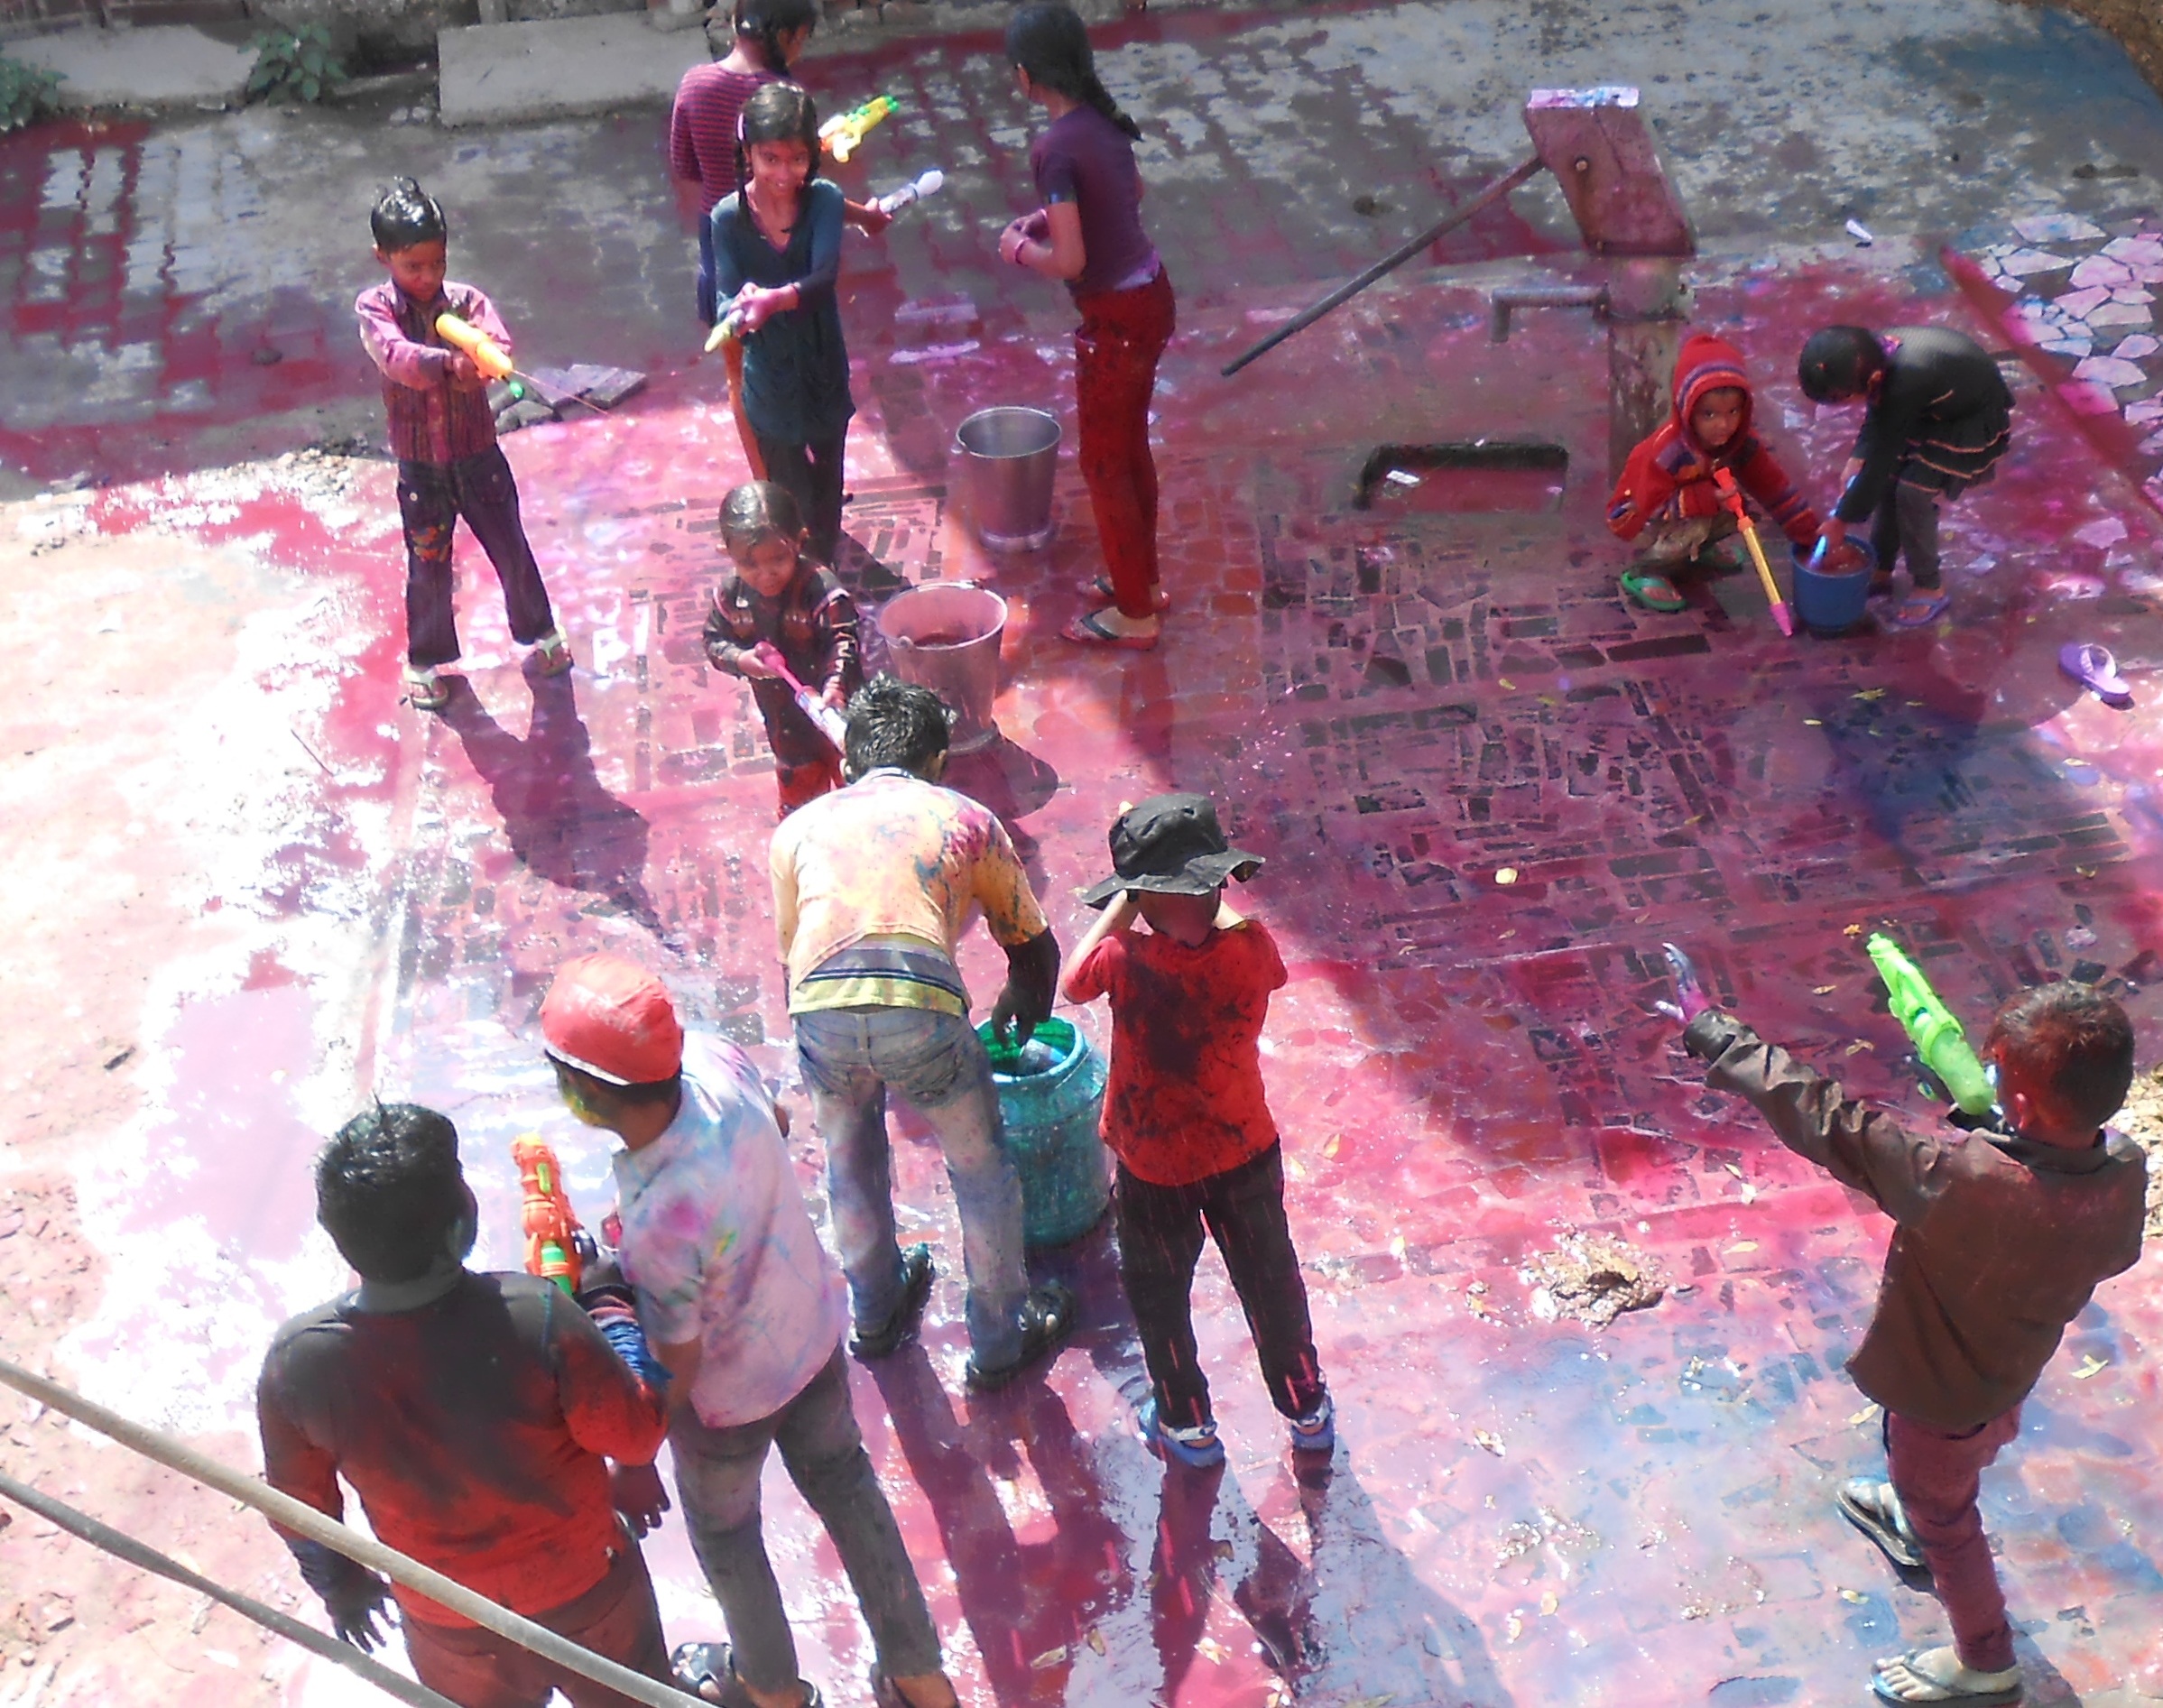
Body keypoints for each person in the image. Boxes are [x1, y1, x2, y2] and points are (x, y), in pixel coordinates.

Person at [1664, 957, 2146, 1708]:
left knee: (1948, 1519)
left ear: (2018, 1098)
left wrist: (1714, 1033)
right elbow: (2091, 1222)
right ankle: (1914, 1509)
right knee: (1952, 1464)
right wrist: (1996, 1127)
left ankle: (1984, 1663)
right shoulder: (2123, 1166)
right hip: (2009, 1370)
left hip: (1938, 1400)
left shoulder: (1959, 1181)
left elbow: (1828, 1121)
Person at [540, 954, 961, 1708]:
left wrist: (638, 1449)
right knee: (848, 1488)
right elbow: (775, 1121)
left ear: (589, 1090)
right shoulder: (712, 1059)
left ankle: (773, 1695)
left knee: (730, 1538)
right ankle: (924, 1683)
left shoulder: (661, 1213)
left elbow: (679, 1351)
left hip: (727, 1402)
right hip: (811, 1336)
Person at [257, 1103, 674, 1708]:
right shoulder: (537, 1314)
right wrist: (610, 1305)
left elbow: (297, 1508)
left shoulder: (297, 1362)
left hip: (447, 1620)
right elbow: (635, 1435)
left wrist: (342, 1584)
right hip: (588, 1590)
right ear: (460, 1220)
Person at [770, 677, 1073, 1389]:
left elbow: (796, 955)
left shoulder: (796, 829)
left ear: (845, 766)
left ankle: (874, 1312)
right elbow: (1033, 946)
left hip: (819, 1009)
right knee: (980, 1168)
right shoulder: (965, 818)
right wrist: (1017, 1007)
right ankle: (1000, 1332)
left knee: (851, 1157)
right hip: (922, 1009)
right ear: (938, 760)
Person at [1059, 793, 1333, 1468]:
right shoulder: (1251, 950)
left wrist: (1127, 897)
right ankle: (1306, 1409)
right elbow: (1238, 932)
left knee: (1159, 1295)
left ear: (1142, 899)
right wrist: (1203, 890)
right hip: (1243, 1148)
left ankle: (1186, 1425)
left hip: (1155, 1167)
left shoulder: (1121, 958)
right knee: (1270, 1282)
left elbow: (1070, 982)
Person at [356, 178, 572, 713]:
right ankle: (426, 661)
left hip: (478, 455)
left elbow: (496, 342)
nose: (427, 278)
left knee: (510, 545)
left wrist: (484, 360)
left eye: (437, 264)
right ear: (383, 257)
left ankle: (540, 634)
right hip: (421, 467)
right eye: (414, 267)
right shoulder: (375, 309)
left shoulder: (469, 302)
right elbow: (396, 358)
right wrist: (448, 364)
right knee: (428, 562)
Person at [998, 3, 1173, 651]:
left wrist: (1022, 249)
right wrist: (1046, 219)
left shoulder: (1052, 148)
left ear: (1024, 76)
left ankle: (1136, 612)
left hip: (1115, 320)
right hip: (1151, 298)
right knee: (1129, 450)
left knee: (1104, 464)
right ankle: (1141, 581)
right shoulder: (1100, 123)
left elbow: (1069, 260)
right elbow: (1128, 194)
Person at [668, 0, 892, 326]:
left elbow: (685, 166)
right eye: (801, 39)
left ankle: (733, 379)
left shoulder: (694, 84)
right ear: (786, 37)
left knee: (731, 325)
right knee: (782, 334)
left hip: (716, 232)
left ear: (735, 24)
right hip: (778, 236)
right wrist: (865, 216)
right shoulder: (786, 98)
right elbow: (807, 191)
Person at [713, 83, 856, 564]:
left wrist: (772, 301)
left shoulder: (826, 202)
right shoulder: (727, 219)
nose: (783, 173)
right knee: (788, 496)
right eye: (769, 158)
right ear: (748, 153)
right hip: (768, 386)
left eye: (796, 159)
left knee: (828, 487)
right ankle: (802, 577)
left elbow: (823, 278)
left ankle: (827, 571)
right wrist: (737, 310)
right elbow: (723, 299)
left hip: (823, 373)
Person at [1798, 324, 2014, 630]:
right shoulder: (1872, 358)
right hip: (1928, 408)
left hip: (1968, 418)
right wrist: (1859, 455)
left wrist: (1841, 520)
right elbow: (1878, 413)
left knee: (1912, 492)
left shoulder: (1906, 377)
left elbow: (1883, 454)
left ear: (1871, 379)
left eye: (1842, 398)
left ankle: (1929, 585)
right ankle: (1881, 568)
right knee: (1888, 482)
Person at [1607, 330, 1823, 613]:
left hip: (1696, 507)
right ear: (1687, 410)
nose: (1724, 425)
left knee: (1739, 511)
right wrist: (1706, 499)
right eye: (1709, 414)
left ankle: (1697, 550)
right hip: (1642, 519)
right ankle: (1647, 570)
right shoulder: (1668, 452)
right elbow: (1649, 506)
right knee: (1701, 519)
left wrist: (1813, 538)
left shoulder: (1741, 443)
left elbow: (1774, 488)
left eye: (1733, 412)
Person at [703, 480, 862, 817]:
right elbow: (714, 640)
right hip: (785, 722)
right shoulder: (732, 595)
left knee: (856, 795)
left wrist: (835, 684)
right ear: (727, 554)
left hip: (837, 713)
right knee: (802, 807)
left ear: (799, 541)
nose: (766, 574)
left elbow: (844, 639)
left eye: (778, 558)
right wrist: (741, 660)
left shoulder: (820, 589)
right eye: (750, 564)